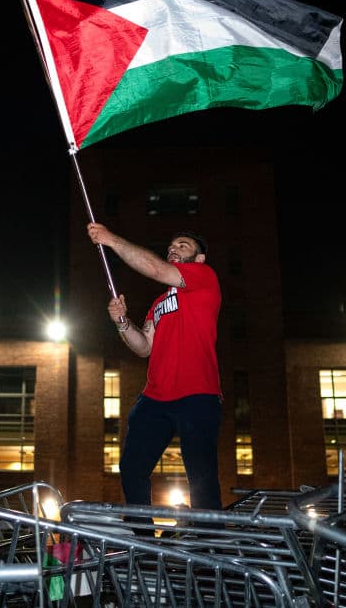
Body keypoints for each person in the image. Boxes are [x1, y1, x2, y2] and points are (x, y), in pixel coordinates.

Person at [86, 223, 224, 526]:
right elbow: (144, 346)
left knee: (201, 477)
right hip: (155, 397)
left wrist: (111, 240)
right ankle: (143, 543)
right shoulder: (159, 304)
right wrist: (122, 323)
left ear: (200, 258)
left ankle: (211, 550)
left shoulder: (204, 278)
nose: (174, 249)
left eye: (183, 245)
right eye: (171, 246)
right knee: (132, 468)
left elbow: (156, 269)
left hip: (197, 393)